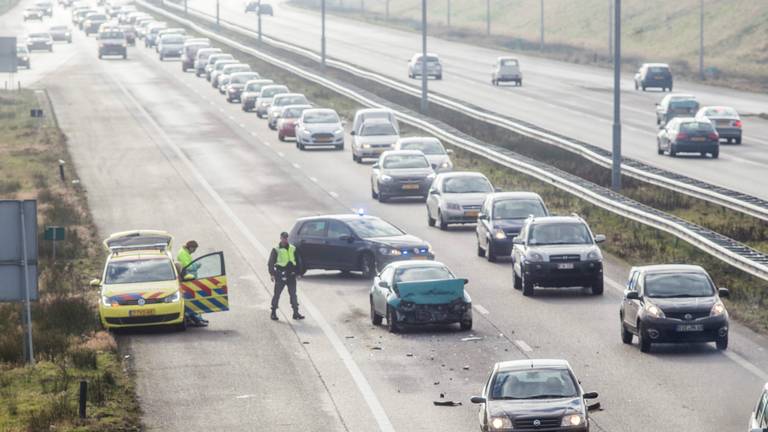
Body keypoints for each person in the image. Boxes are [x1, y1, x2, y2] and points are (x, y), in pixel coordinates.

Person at [267, 232, 305, 321]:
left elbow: (298, 261)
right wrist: (272, 274)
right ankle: (273, 312)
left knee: (293, 294)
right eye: (283, 238)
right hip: (280, 274)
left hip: (291, 275)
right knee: (277, 294)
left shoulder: (293, 248)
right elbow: (271, 262)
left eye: (286, 238)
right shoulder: (276, 249)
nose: (285, 239)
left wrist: (299, 273)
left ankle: (296, 313)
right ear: (280, 238)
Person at [177, 240, 208, 327]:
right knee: (193, 300)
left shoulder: (185, 253)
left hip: (190, 280)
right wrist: (196, 265)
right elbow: (188, 267)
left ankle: (198, 319)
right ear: (190, 247)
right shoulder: (183, 253)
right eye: (194, 249)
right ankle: (196, 320)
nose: (194, 251)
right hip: (188, 281)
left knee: (194, 300)